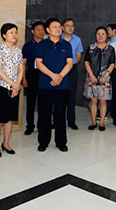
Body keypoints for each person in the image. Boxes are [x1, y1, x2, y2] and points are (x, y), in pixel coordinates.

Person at [35, 18, 73, 152]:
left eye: (59, 26)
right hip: (45, 84)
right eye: (54, 26)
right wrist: (52, 76)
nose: (58, 29)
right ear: (48, 30)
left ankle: (61, 142)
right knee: (44, 114)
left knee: (60, 114)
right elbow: (39, 63)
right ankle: (43, 142)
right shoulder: (42, 45)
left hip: (62, 85)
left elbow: (69, 63)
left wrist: (60, 77)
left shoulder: (66, 45)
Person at [0, 23, 23, 157]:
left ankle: (6, 143)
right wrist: (12, 84)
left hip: (14, 88)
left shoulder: (18, 51)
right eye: (11, 32)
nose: (14, 35)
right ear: (4, 35)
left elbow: (21, 69)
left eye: (15, 32)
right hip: (1, 87)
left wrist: (17, 84)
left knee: (9, 118)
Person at [84, 27, 116, 131]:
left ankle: (101, 123)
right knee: (93, 101)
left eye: (103, 34)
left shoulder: (111, 49)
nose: (100, 36)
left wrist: (106, 76)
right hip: (91, 77)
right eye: (98, 34)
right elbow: (86, 62)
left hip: (105, 78)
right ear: (96, 35)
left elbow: (112, 64)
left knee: (103, 101)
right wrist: (91, 75)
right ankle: (93, 122)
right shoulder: (91, 47)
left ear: (106, 36)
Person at [22, 21, 45, 135]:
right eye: (38, 29)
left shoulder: (47, 44)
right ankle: (29, 126)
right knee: (30, 102)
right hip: (31, 73)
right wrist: (23, 77)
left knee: (43, 102)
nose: (41, 31)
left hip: (44, 74)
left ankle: (42, 125)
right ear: (32, 31)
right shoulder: (28, 45)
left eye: (42, 29)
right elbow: (23, 63)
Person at [61, 18, 84, 130]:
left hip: (72, 69)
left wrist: (72, 65)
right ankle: (57, 120)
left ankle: (71, 121)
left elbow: (78, 55)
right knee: (59, 96)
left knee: (71, 96)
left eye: (72, 25)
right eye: (68, 25)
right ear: (62, 27)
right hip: (59, 69)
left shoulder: (77, 39)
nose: (70, 28)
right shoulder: (58, 38)